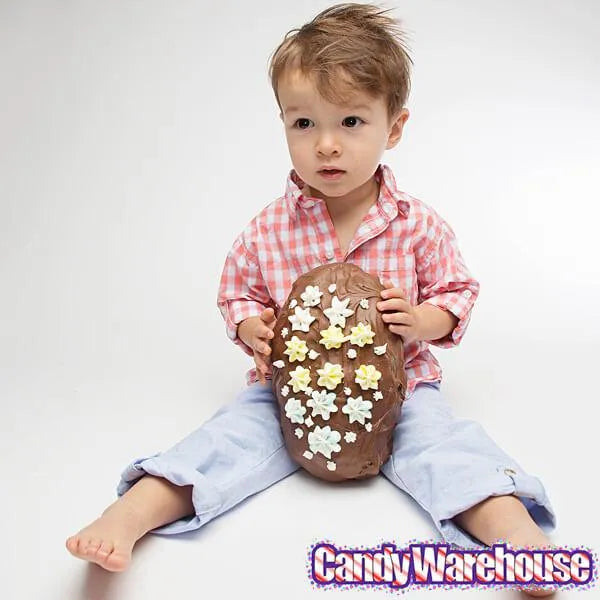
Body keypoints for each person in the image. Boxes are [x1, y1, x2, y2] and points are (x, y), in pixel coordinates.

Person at [66, 3, 557, 595]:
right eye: (304, 124)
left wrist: (421, 319)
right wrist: (252, 329)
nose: (326, 145)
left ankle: (518, 540)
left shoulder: (417, 224)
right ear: (283, 125)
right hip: (289, 391)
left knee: (449, 451)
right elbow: (237, 292)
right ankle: (132, 513)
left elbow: (458, 292)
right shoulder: (269, 228)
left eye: (350, 122)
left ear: (393, 128)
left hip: (401, 393)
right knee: (225, 440)